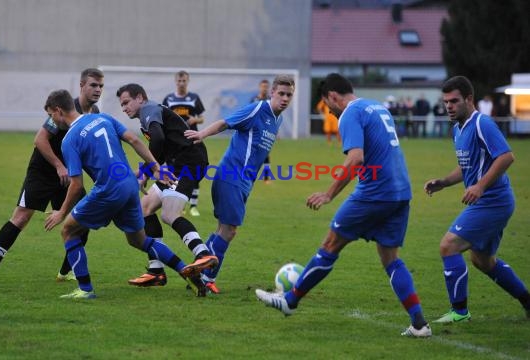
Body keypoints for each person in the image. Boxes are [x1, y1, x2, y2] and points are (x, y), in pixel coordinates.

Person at [255, 73, 431, 338]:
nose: (331, 113)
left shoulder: (350, 113)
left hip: (374, 192)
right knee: (391, 259)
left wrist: (328, 194)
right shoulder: (377, 106)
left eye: (328, 106)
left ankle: (290, 301)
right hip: (400, 192)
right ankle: (419, 324)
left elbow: (356, 159)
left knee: (330, 244)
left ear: (333, 96)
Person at [43, 89, 212, 299]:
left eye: (51, 115)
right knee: (139, 240)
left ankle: (85, 289)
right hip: (130, 185)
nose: (52, 120)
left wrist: (60, 213)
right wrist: (155, 167)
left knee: (68, 230)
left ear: (58, 111)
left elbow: (76, 185)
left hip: (107, 190)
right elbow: (134, 140)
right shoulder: (103, 118)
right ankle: (185, 271)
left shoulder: (68, 140)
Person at [0, 68, 105, 287]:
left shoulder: (95, 114)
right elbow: (40, 140)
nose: (98, 90)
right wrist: (58, 165)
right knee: (21, 218)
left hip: (68, 175)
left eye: (101, 86)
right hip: (43, 172)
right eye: (93, 85)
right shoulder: (64, 109)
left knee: (82, 218)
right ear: (82, 85)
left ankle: (66, 271)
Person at [424, 75, 530, 323]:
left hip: (493, 200)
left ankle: (459, 311)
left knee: (448, 246)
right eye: (446, 102)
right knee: (482, 260)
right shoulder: (458, 129)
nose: (449, 106)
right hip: (491, 201)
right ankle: (527, 301)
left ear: (469, 99)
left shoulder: (482, 123)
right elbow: (467, 167)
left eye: (454, 101)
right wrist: (443, 182)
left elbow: (506, 157)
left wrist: (480, 186)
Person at [185, 74, 295, 294]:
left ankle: (197, 269)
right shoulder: (257, 109)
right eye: (281, 93)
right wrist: (202, 134)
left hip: (244, 182)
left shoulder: (277, 119)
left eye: (289, 95)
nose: (284, 98)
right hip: (231, 176)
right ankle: (206, 277)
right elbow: (226, 122)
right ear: (272, 92)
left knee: (222, 229)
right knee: (229, 230)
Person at [117, 83, 218, 288]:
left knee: (169, 215)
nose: (124, 108)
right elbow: (161, 146)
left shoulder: (148, 110)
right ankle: (156, 272)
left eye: (127, 102)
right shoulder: (151, 112)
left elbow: (158, 139)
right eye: (122, 105)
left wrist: (150, 169)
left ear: (140, 98)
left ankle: (204, 255)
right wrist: (147, 171)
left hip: (188, 164)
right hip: (176, 165)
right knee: (144, 209)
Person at [163, 71, 206, 217]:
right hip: (174, 144)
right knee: (174, 174)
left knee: (194, 173)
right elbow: (163, 118)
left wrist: (195, 120)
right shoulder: (168, 99)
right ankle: (178, 205)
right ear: (175, 81)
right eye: (179, 80)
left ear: (188, 81)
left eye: (184, 81)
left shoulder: (194, 98)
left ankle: (193, 206)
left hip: (192, 142)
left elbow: (202, 118)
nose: (182, 83)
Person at [251, 79, 273, 183]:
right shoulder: (254, 99)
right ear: (260, 87)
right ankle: (250, 174)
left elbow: (274, 116)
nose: (264, 88)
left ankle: (266, 177)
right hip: (255, 130)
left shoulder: (271, 100)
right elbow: (249, 113)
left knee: (265, 153)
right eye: (263, 86)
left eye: (266, 86)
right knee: (252, 152)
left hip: (266, 130)